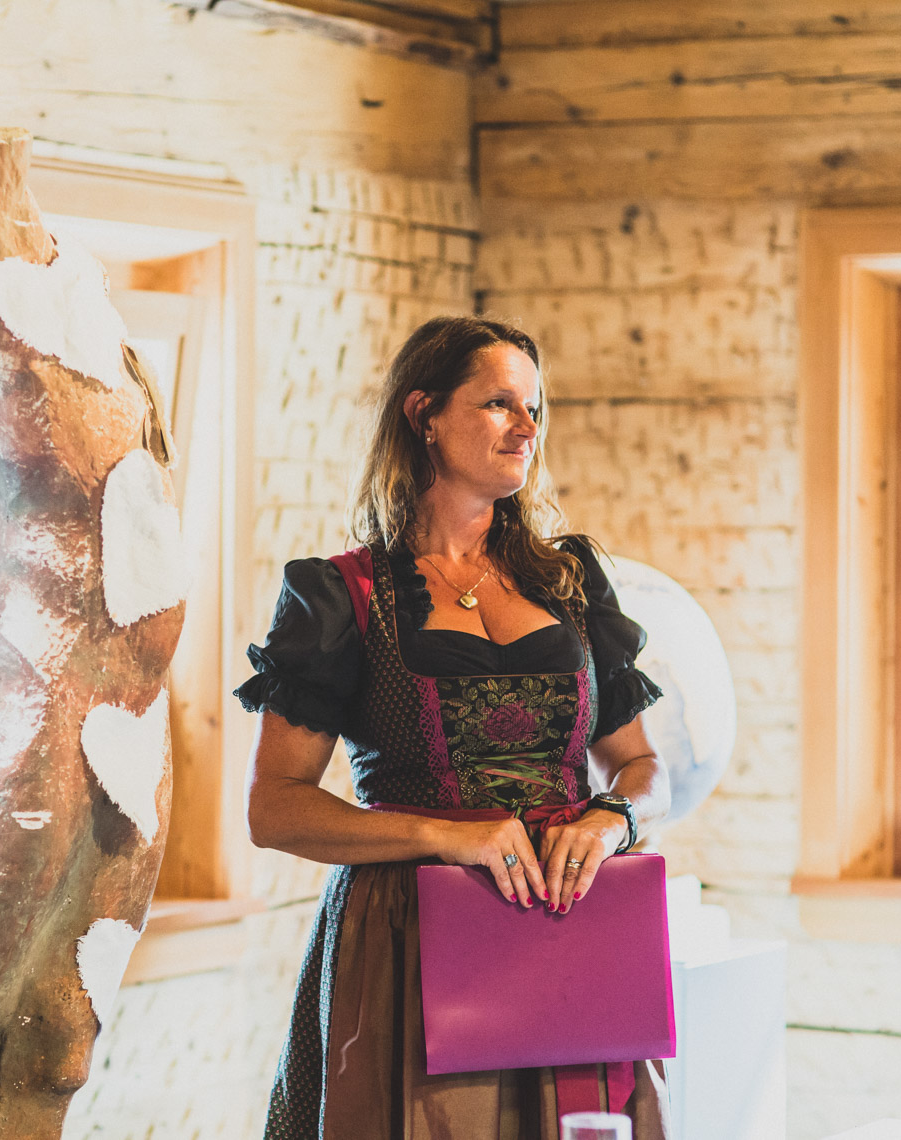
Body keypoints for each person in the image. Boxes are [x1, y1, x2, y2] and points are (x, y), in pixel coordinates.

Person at [238, 315, 672, 1140]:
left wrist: (613, 820)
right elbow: (276, 808)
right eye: (500, 403)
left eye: (534, 409)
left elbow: (646, 768)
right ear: (424, 414)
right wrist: (444, 835)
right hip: (408, 940)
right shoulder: (340, 595)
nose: (526, 428)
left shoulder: (574, 581)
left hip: (570, 926)